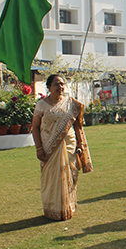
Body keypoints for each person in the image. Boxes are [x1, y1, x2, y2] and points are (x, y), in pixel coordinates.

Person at [32, 74, 93, 221]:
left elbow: (77, 125)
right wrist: (39, 148)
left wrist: (80, 143)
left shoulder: (70, 103)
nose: (60, 87)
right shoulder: (41, 105)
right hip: (49, 147)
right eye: (56, 84)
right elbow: (34, 127)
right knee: (51, 179)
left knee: (71, 176)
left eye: (62, 84)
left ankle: (68, 207)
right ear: (49, 87)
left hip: (70, 144)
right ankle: (53, 210)